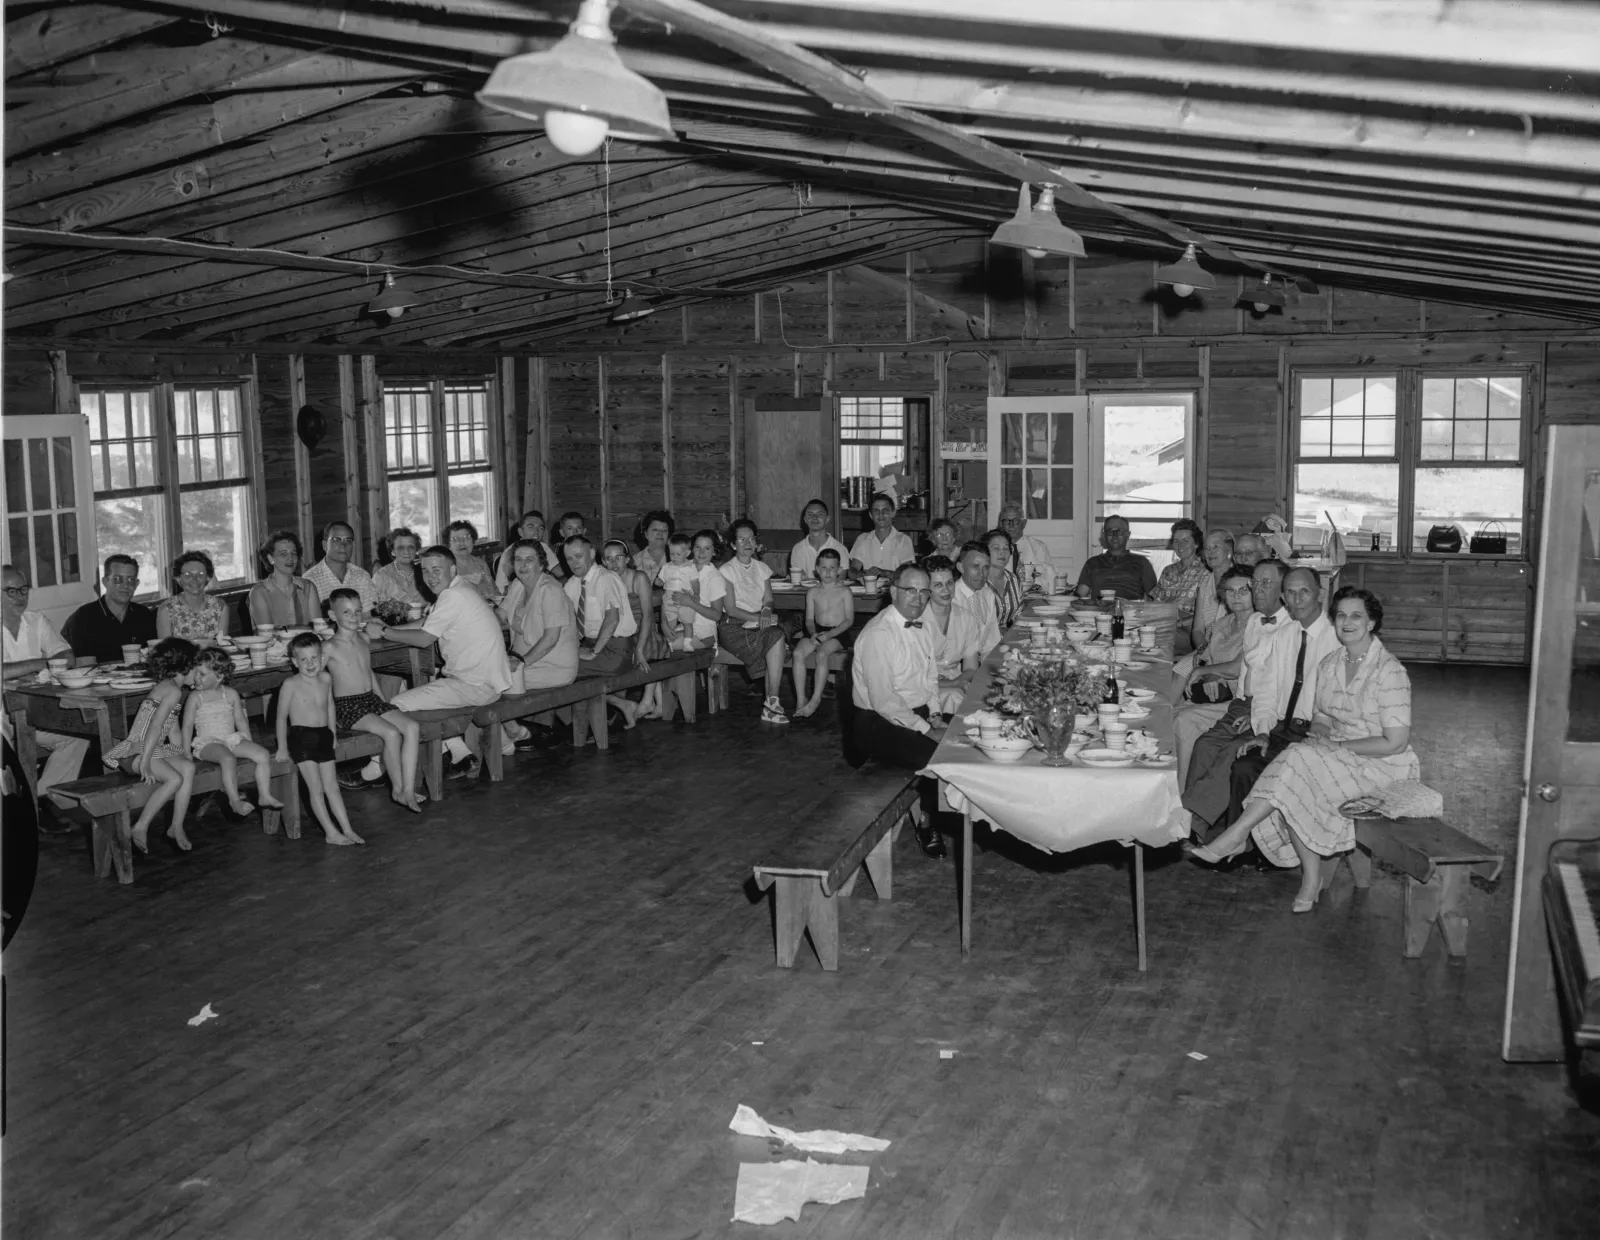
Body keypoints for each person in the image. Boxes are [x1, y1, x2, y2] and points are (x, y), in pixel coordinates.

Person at [1189, 587, 1419, 913]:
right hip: (1334, 757)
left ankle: (1240, 835)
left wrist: (1335, 745)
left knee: (1296, 761)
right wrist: (1323, 736)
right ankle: (1307, 877)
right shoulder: (1330, 664)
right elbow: (1321, 717)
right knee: (1298, 769)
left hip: (1382, 766)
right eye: (1340, 615)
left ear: (1371, 623)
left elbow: (1394, 742)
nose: (1346, 622)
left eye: (1356, 616)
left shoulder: (1389, 671)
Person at [1183, 563, 1339, 845]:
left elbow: (1291, 691)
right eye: (1256, 583)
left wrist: (1261, 722)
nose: (1259, 589)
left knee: (1234, 752)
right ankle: (1192, 820)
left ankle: (1206, 824)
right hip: (1248, 704)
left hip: (1284, 717)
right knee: (1206, 745)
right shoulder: (1257, 622)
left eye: (1267, 583)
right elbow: (1254, 676)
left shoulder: (1306, 629)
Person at [370, 545, 515, 781]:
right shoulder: (460, 588)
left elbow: (425, 637)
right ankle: (461, 754)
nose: (430, 576)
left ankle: (376, 769)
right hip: (483, 683)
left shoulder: (453, 595)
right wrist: (390, 629)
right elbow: (428, 622)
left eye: (437, 570)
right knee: (420, 694)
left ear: (453, 569)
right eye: (426, 571)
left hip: (474, 687)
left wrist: (385, 632)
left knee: (395, 704)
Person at [849, 563, 947, 857]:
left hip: (915, 714)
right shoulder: (878, 634)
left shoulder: (924, 624)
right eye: (910, 591)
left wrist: (936, 714)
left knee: (967, 733)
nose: (918, 599)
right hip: (877, 722)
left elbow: (930, 678)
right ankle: (928, 822)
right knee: (938, 756)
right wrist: (929, 731)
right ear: (893, 591)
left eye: (924, 592)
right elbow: (885, 702)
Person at [321, 589, 422, 813]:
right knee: (392, 733)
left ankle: (408, 789)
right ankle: (397, 790)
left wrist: (384, 703)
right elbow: (318, 683)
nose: (354, 616)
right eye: (346, 612)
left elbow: (369, 672)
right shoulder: (329, 647)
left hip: (371, 700)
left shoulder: (363, 639)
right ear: (332, 614)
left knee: (412, 727)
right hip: (347, 705)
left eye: (357, 611)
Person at [99, 637, 198, 853]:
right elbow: (155, 727)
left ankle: (176, 826)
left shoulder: (171, 688)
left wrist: (182, 754)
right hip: (136, 752)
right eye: (197, 669)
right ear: (186, 667)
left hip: (152, 749)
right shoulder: (172, 691)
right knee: (174, 778)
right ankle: (141, 826)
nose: (198, 674)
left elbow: (172, 729)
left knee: (188, 768)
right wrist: (145, 762)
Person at [2, 564, 90, 801]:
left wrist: (18, 671)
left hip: (33, 711)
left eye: (23, 590)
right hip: (1, 718)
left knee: (76, 736)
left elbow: (67, 657)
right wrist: (38, 663)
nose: (19, 597)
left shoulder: (36, 621)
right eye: (10, 591)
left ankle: (40, 800)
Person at [275, 632, 365, 845]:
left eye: (314, 658)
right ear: (294, 662)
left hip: (323, 735)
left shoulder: (326, 678)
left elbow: (330, 706)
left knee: (332, 786)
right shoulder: (290, 684)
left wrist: (332, 733)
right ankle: (330, 832)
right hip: (301, 737)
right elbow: (280, 717)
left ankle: (347, 828)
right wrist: (281, 747)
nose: (309, 664)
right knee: (315, 788)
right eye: (303, 659)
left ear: (321, 657)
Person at [1171, 566, 1256, 784]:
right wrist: (1209, 675)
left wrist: (1203, 672)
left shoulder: (1260, 626)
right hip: (1214, 694)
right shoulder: (1221, 624)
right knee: (1169, 712)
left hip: (1242, 702)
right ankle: (1169, 781)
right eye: (1230, 591)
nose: (1236, 596)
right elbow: (1206, 659)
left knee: (1183, 719)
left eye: (1243, 590)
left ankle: (1180, 793)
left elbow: (1238, 667)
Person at [181, 648, 283, 818]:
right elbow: (187, 726)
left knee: (263, 754)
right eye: (195, 673)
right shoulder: (195, 697)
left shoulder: (230, 694)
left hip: (230, 739)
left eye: (202, 674)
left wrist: (249, 742)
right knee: (227, 758)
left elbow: (241, 720)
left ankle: (264, 795)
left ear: (219, 676)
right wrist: (186, 752)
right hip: (207, 743)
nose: (196, 678)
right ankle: (234, 800)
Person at [718, 518, 790, 725]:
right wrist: (759, 618)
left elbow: (768, 599)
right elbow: (731, 608)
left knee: (776, 635)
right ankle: (772, 705)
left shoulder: (762, 568)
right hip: (733, 627)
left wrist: (766, 612)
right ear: (733, 544)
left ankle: (772, 703)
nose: (747, 543)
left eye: (751, 538)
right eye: (741, 539)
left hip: (758, 622)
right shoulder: (726, 571)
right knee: (776, 638)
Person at [602, 538, 665, 726]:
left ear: (627, 559)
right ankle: (627, 704)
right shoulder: (604, 580)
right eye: (608, 559)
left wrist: (639, 648)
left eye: (618, 557)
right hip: (620, 632)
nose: (614, 563)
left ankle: (648, 701)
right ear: (603, 562)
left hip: (643, 630)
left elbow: (648, 616)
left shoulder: (638, 577)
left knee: (642, 651)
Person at [562, 535, 638, 676]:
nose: (574, 563)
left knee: (562, 668)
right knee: (554, 662)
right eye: (569, 559)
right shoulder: (572, 584)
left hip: (615, 650)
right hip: (589, 644)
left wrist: (594, 652)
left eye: (578, 556)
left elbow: (612, 619)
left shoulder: (605, 578)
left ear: (591, 553)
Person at [791, 547, 853, 718]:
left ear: (839, 570)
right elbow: (809, 620)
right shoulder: (812, 592)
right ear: (817, 570)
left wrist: (830, 635)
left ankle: (816, 698)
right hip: (817, 631)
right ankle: (801, 698)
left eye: (832, 568)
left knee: (821, 654)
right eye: (824, 568)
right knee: (797, 653)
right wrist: (812, 633)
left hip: (838, 633)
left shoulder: (844, 592)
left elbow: (849, 620)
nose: (828, 572)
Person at [62, 554, 159, 661]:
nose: (125, 585)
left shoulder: (143, 615)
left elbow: (155, 658)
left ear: (136, 584)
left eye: (130, 580)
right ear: (105, 582)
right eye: (118, 579)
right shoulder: (84, 617)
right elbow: (84, 667)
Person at [921, 554, 982, 684]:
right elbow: (914, 674)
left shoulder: (966, 618)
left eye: (950, 583)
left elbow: (971, 669)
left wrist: (955, 684)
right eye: (938, 585)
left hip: (959, 681)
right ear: (926, 588)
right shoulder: (917, 620)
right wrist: (952, 686)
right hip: (924, 687)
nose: (946, 590)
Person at [1152, 519, 1210, 654]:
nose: (1180, 545)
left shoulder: (1206, 571)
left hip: (1190, 630)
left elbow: (1209, 613)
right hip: (1165, 625)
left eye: (1185, 540)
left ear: (1196, 543)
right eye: (1176, 541)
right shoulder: (1168, 570)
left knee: (1151, 639)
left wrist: (1178, 623)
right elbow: (1156, 604)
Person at [249, 530, 322, 628]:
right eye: (283, 554)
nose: (290, 558)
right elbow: (266, 634)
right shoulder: (259, 592)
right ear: (271, 559)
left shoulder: (308, 586)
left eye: (294, 553)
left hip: (307, 642)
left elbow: (319, 627)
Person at [156, 550, 231, 645]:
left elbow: (223, 646)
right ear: (179, 579)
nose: (194, 580)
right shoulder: (166, 609)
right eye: (187, 575)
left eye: (200, 574)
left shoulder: (220, 607)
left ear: (208, 577)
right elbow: (165, 651)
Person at [1076, 515, 1157, 601]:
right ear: (1104, 535)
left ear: (1128, 535)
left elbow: (1154, 597)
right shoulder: (1092, 563)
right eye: (1110, 531)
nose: (1115, 535)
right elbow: (1080, 595)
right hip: (1099, 611)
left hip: (1131, 611)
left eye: (1120, 531)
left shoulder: (1142, 562)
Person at [304, 521, 377, 614]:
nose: (343, 545)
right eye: (336, 539)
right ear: (325, 545)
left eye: (348, 540)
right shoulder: (310, 580)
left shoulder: (362, 576)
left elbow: (368, 618)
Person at [849, 494, 916, 582]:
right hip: (868, 591)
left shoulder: (903, 540)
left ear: (893, 513)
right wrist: (861, 574)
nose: (881, 515)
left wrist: (884, 573)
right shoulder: (863, 539)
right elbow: (852, 570)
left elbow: (907, 574)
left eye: (885, 510)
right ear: (870, 515)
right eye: (876, 511)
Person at [1190, 529, 1237, 652]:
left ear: (1229, 550)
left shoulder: (1239, 580)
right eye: (1206, 548)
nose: (1210, 552)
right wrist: (1203, 650)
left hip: (1233, 650)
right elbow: (1197, 630)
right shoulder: (1205, 583)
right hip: (1206, 648)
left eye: (1216, 546)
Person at [952, 542, 1002, 657]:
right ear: (960, 567)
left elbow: (992, 640)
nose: (981, 574)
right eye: (975, 566)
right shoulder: (952, 598)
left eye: (986, 568)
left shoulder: (987, 594)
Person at [495, 510, 558, 596]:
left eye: (540, 528)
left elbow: (559, 573)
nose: (537, 532)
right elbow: (506, 588)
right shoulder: (512, 552)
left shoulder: (542, 546)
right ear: (520, 532)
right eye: (531, 527)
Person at [997, 504, 1055, 592]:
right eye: (1006, 521)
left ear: (1023, 523)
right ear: (1001, 524)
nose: (1011, 525)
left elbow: (1050, 580)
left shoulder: (1038, 547)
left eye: (1015, 520)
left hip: (1033, 597)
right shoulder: (993, 549)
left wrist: (1036, 585)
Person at [788, 498, 849, 580]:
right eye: (810, 514)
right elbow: (796, 583)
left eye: (820, 514)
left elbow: (840, 582)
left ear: (827, 519)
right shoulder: (797, 549)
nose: (814, 517)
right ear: (805, 520)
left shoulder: (840, 549)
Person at [658, 532, 701, 648]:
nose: (674, 557)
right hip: (669, 596)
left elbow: (695, 582)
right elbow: (661, 579)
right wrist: (658, 582)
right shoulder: (666, 566)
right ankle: (670, 641)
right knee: (669, 620)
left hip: (685, 596)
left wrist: (696, 593)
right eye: (671, 554)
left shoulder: (690, 567)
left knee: (687, 621)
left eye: (678, 554)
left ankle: (687, 643)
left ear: (687, 553)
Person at [373, 527, 427, 611]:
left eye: (411, 547)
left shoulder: (425, 573)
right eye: (400, 548)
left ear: (416, 549)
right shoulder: (381, 576)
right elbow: (373, 606)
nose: (406, 552)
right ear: (392, 551)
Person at [446, 520, 498, 603]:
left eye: (466, 538)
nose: (461, 543)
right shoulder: (447, 567)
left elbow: (495, 592)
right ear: (449, 545)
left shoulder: (481, 564)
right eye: (455, 539)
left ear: (473, 541)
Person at [984, 528, 1024, 629]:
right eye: (996, 548)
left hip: (1006, 638)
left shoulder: (1014, 580)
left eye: (1006, 548)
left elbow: (1017, 615)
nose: (1002, 553)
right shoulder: (977, 582)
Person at [631, 510, 674, 585]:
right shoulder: (634, 563)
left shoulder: (678, 558)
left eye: (664, 530)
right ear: (646, 534)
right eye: (655, 530)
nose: (660, 533)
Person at [552, 511, 587, 580]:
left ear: (584, 531)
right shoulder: (556, 551)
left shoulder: (591, 550)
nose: (575, 532)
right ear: (561, 532)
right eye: (570, 528)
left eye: (579, 528)